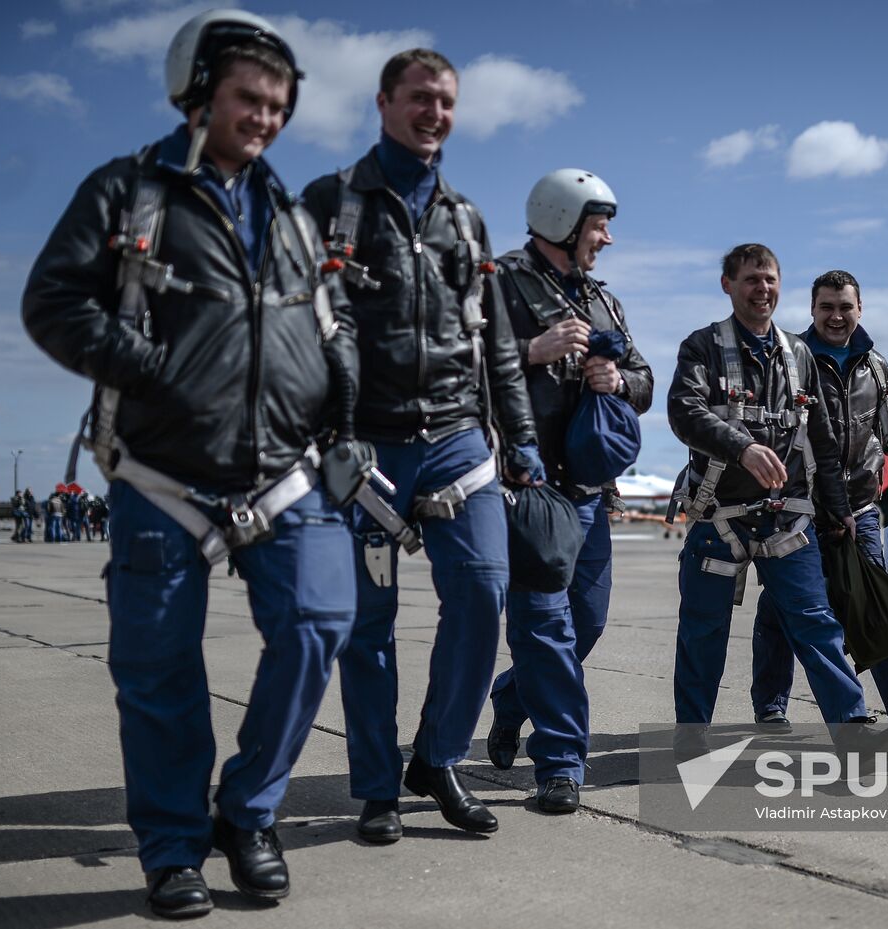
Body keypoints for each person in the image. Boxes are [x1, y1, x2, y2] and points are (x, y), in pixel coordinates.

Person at [22, 11, 358, 917]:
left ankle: (248, 812)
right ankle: (172, 848)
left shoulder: (291, 217)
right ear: (199, 92)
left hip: (283, 471)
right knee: (159, 668)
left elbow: (322, 322)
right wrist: (151, 371)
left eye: (279, 107)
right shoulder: (129, 191)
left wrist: (340, 395)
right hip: (161, 475)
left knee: (322, 618)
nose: (264, 119)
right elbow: (52, 301)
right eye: (248, 99)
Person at [301, 48, 540, 844]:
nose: (433, 113)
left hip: (455, 437)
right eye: (419, 99)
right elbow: (292, 327)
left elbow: (498, 343)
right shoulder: (330, 203)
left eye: (445, 102)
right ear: (383, 103)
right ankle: (374, 786)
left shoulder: (465, 218)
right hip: (363, 444)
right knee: (367, 624)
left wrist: (523, 441)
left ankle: (437, 758)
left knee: (481, 593)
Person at [667, 243, 888, 756]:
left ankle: (852, 731)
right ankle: (692, 740)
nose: (762, 289)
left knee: (817, 626)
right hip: (720, 518)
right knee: (703, 634)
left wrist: (841, 509)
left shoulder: (796, 354)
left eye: (770, 279)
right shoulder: (702, 348)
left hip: (786, 521)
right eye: (752, 279)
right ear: (728, 285)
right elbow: (684, 411)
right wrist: (743, 447)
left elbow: (820, 439)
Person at [482, 170, 653, 814]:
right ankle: (560, 763)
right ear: (561, 220)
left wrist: (617, 380)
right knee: (542, 623)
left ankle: (510, 698)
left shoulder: (603, 300)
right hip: (528, 488)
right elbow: (454, 362)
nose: (606, 239)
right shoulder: (498, 284)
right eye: (598, 225)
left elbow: (644, 378)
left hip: (589, 491)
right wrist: (531, 349)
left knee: (586, 621)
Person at [750, 270, 888, 737]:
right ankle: (770, 704)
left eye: (845, 306)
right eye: (827, 306)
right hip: (800, 511)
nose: (836, 316)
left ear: (859, 309)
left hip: (862, 509)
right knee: (785, 608)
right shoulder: (785, 363)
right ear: (811, 310)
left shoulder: (876, 367)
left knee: (875, 600)